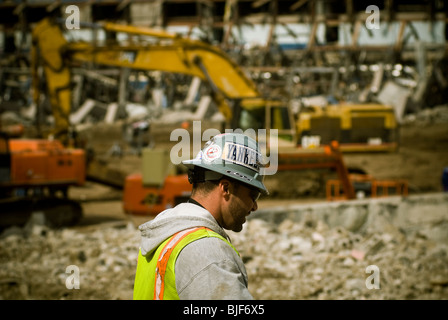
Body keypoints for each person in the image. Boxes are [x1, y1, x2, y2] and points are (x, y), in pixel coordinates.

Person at [133, 133, 269, 300]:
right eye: (253, 195)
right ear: (225, 188)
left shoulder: (166, 234)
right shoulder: (208, 252)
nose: (254, 206)